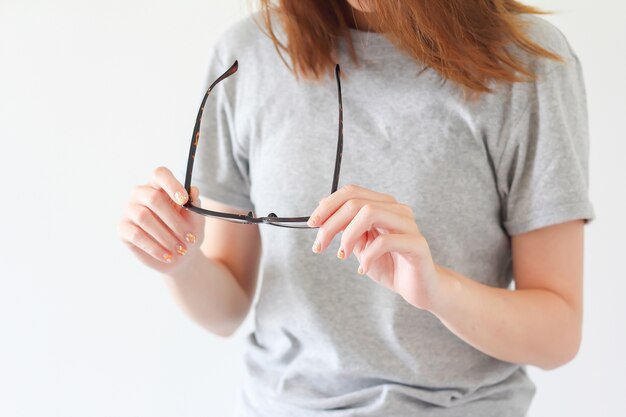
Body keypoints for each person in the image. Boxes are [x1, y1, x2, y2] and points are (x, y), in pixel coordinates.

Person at [117, 1, 596, 416]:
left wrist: (437, 289)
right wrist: (180, 261)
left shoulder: (528, 63)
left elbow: (557, 332)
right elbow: (226, 310)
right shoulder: (248, 56)